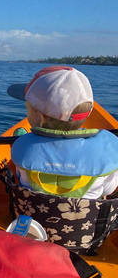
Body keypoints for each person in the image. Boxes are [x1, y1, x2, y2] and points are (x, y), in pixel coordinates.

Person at [6, 66, 118, 199]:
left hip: (31, 216)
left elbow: (19, 178)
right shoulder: (107, 151)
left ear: (40, 117)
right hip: (87, 218)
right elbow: (108, 190)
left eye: (28, 109)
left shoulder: (23, 147)